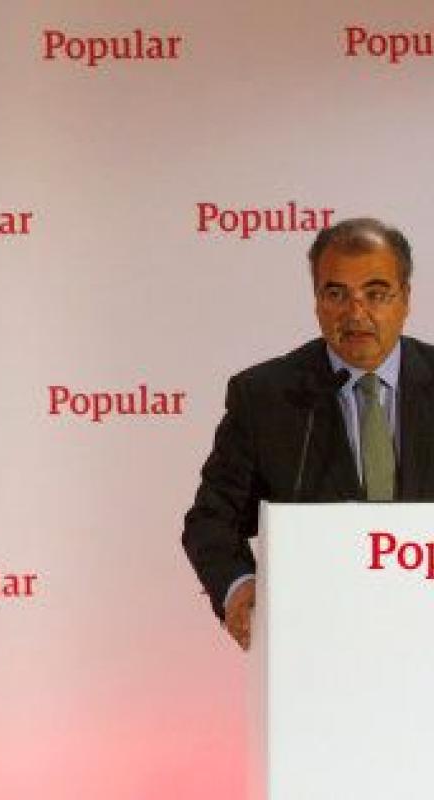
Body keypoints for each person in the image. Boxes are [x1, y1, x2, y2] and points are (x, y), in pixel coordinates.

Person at [182, 217, 434, 650]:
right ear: (316, 300)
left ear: (406, 298)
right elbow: (212, 520)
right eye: (336, 294)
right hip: (317, 639)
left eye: (376, 294)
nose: (356, 313)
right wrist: (239, 585)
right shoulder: (265, 397)